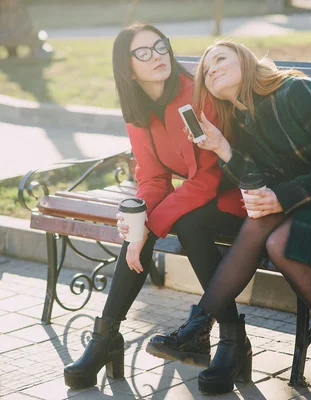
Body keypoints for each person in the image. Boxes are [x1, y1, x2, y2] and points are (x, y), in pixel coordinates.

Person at [148, 40, 311, 399]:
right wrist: (222, 147)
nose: (212, 69)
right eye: (206, 70)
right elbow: (259, 180)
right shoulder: (242, 119)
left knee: (277, 239)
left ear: (246, 61)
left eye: (221, 58)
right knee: (269, 229)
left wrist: (281, 197)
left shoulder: (297, 91)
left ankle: (197, 326)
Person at [63, 25, 248, 390]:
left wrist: (151, 222)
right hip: (203, 194)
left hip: (241, 187)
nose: (157, 55)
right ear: (128, 68)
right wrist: (136, 222)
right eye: (143, 52)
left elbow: (209, 177)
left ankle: (232, 339)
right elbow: (152, 178)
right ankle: (106, 336)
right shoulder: (136, 105)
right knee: (141, 223)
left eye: (160, 46)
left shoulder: (195, 93)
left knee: (184, 224)